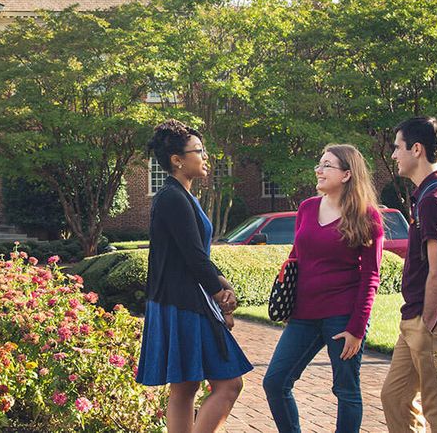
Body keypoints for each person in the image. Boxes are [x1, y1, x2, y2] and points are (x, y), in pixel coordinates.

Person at [136, 119, 252, 433]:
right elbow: (192, 256)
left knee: (185, 389)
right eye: (198, 151)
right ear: (177, 160)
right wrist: (220, 293)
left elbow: (194, 253)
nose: (205, 157)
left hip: (181, 299)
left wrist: (220, 281)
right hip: (184, 303)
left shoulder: (181, 195)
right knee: (229, 384)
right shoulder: (172, 197)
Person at [261, 144, 384, 433]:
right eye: (319, 163)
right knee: (275, 382)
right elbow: (296, 257)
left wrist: (357, 328)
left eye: (327, 165)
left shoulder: (367, 216)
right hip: (303, 316)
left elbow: (371, 277)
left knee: (345, 390)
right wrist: (288, 300)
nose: (319, 169)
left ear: (346, 174)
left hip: (342, 317)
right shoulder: (307, 208)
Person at [380, 116, 437, 433]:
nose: (394, 155)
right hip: (418, 317)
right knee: (395, 398)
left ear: (416, 149)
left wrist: (428, 324)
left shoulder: (436, 199)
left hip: (436, 320)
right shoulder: (428, 194)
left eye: (397, 147)